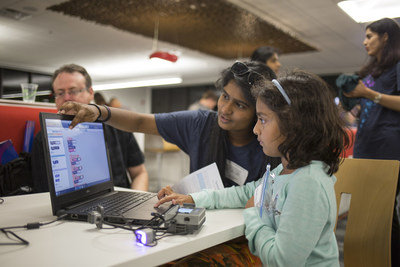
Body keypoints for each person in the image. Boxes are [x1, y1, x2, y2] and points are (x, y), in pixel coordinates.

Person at [155, 70, 350, 266]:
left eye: (263, 120)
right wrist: (194, 198)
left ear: (295, 125)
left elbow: (281, 261)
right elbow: (245, 193)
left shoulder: (308, 183)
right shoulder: (282, 171)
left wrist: (253, 215)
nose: (256, 129)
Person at [59, 61, 281, 188]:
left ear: (258, 112)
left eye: (240, 105)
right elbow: (139, 121)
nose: (225, 109)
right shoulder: (201, 125)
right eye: (224, 96)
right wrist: (98, 111)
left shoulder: (271, 146)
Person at [31, 64, 149, 192]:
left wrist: (135, 199)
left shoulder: (117, 126)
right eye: (60, 93)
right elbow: (42, 192)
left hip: (118, 199)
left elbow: (139, 173)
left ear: (90, 93)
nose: (66, 98)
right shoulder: (43, 138)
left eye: (73, 91)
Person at [342, 17, 400, 266]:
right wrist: (349, 100)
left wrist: (368, 94)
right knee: (367, 210)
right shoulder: (373, 71)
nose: (365, 42)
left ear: (385, 36)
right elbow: (359, 109)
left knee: (383, 212)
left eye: (369, 36)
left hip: (388, 147)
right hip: (365, 145)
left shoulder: (398, 66)